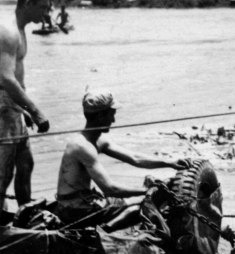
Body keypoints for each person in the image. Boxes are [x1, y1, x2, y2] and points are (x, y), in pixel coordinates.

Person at [55, 91, 190, 231]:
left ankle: (104, 227)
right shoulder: (82, 146)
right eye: (111, 114)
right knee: (144, 205)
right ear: (101, 115)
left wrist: (168, 162)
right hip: (74, 209)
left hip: (81, 202)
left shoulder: (97, 140)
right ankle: (102, 232)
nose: (113, 120)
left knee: (141, 200)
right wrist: (145, 191)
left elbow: (135, 158)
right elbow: (109, 189)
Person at [0, 0, 52, 223]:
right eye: (43, 7)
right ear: (28, 3)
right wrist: (36, 111)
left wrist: (24, 110)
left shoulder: (22, 30)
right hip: (3, 104)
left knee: (26, 166)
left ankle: (27, 219)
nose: (46, 13)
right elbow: (6, 79)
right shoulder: (9, 32)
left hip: (14, 106)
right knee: (3, 175)